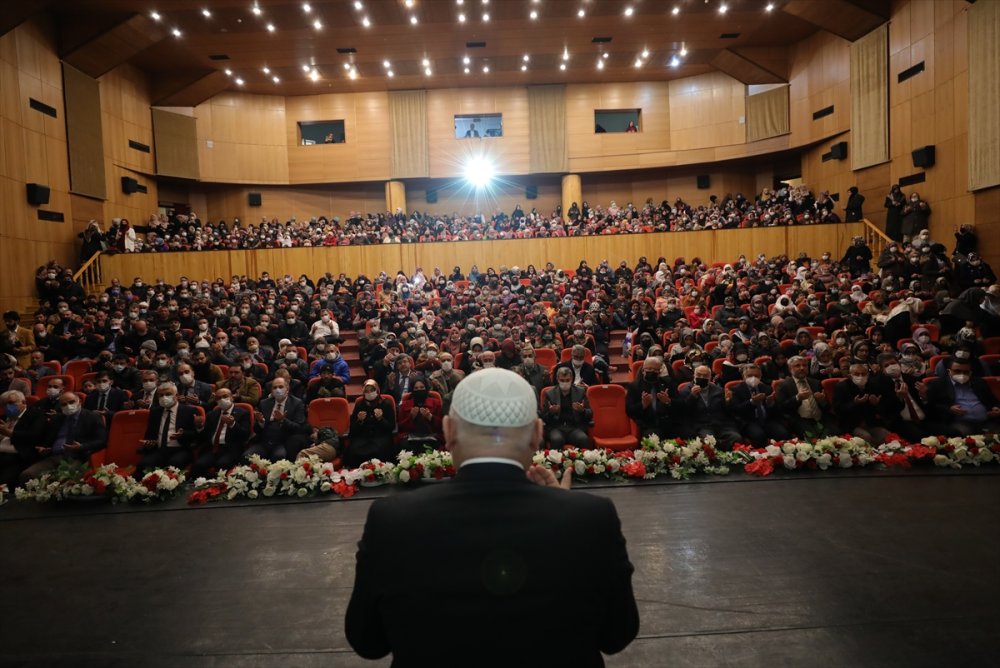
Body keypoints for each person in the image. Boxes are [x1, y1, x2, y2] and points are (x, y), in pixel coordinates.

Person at [345, 368, 639, 665]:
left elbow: (368, 641)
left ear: (447, 431)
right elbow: (617, 634)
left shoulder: (391, 520)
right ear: (537, 434)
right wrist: (565, 511)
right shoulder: (592, 518)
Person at [19, 392, 107, 484]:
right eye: (64, 404)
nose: (68, 406)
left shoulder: (92, 417)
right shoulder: (57, 419)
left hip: (77, 457)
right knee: (27, 475)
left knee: (64, 479)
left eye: (71, 402)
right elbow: (46, 439)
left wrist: (81, 446)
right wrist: (45, 448)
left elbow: (102, 441)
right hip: (53, 456)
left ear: (79, 402)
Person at [136, 382, 201, 475]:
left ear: (176, 395)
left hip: (180, 449)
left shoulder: (189, 411)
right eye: (161, 395)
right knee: (143, 464)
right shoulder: (155, 411)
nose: (164, 397)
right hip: (159, 449)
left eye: (168, 394)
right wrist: (149, 442)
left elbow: (196, 434)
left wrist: (183, 434)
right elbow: (150, 433)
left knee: (174, 464)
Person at [924, 359, 1000, 436]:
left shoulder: (979, 382)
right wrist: (949, 409)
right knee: (963, 437)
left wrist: (996, 408)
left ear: (970, 372)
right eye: (957, 371)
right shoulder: (938, 384)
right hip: (959, 423)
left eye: (966, 372)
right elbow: (932, 406)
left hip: (985, 421)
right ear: (949, 371)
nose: (962, 374)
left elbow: (993, 400)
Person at [678, 364, 742, 449]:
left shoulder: (718, 390)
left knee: (736, 438)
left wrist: (728, 402)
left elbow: (728, 412)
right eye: (699, 375)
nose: (702, 377)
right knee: (709, 441)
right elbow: (683, 411)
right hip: (702, 425)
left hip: (721, 424)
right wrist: (692, 396)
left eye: (705, 376)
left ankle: (727, 457)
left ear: (710, 377)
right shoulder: (685, 390)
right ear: (694, 375)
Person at [245, 377, 309, 461]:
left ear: (287, 389)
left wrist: (283, 420)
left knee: (279, 457)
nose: (277, 390)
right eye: (274, 387)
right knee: (246, 456)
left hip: (283, 442)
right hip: (264, 441)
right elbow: (256, 430)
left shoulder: (297, 403)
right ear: (271, 391)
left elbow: (299, 428)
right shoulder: (264, 403)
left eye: (281, 387)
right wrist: (261, 422)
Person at [192, 388, 252, 478]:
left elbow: (245, 435)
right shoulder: (212, 414)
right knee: (199, 465)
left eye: (225, 396)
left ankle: (219, 490)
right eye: (218, 398)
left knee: (222, 465)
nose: (222, 399)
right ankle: (203, 489)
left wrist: (233, 424)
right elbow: (204, 436)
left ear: (232, 397)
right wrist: (199, 427)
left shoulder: (243, 413)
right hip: (213, 449)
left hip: (230, 449)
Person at [775, 356, 839, 438]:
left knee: (837, 434)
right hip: (800, 419)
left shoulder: (816, 383)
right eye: (797, 366)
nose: (802, 368)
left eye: (804, 365)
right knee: (812, 438)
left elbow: (827, 407)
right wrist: (797, 398)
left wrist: (822, 401)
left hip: (820, 418)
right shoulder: (783, 385)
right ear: (790, 369)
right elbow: (781, 408)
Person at [728, 364, 790, 448]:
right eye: (750, 375)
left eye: (756, 376)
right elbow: (736, 410)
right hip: (749, 420)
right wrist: (752, 402)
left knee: (783, 433)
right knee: (759, 436)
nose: (753, 378)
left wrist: (771, 403)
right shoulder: (736, 389)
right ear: (743, 376)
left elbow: (777, 411)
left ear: (760, 376)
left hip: (767, 419)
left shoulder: (767, 388)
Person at [0, 390, 47, 490]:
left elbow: (34, 437)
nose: (7, 407)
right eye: (4, 404)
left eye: (11, 403)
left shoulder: (35, 414)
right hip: (2, 454)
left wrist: (9, 433)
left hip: (18, 457)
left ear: (24, 402)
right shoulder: (4, 418)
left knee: (4, 479)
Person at [345, 379, 396, 467]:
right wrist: (359, 421)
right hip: (363, 437)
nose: (369, 393)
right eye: (367, 391)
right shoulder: (360, 405)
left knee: (380, 450)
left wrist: (381, 419)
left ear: (377, 390)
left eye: (372, 390)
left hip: (380, 436)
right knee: (353, 449)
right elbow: (353, 428)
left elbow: (391, 426)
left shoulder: (385, 403)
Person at [541, 366, 592, 449]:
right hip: (556, 427)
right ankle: (556, 462)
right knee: (556, 439)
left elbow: (590, 413)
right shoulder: (550, 393)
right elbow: (544, 417)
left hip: (574, 427)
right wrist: (551, 413)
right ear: (557, 379)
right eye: (562, 380)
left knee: (583, 439)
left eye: (567, 380)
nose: (565, 383)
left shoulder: (580, 392)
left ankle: (582, 462)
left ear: (571, 379)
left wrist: (582, 411)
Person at [625, 356, 676, 437]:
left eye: (655, 370)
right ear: (643, 370)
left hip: (668, 422)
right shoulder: (634, 386)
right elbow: (629, 411)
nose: (652, 371)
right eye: (649, 369)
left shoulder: (668, 383)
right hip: (647, 424)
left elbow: (681, 404)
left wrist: (668, 401)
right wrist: (643, 405)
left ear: (659, 372)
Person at [397, 377, 443, 450]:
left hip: (431, 435)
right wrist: (411, 417)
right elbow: (400, 427)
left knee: (430, 446)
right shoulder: (405, 404)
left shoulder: (435, 403)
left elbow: (442, 425)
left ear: (426, 388)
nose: (419, 390)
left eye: (422, 387)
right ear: (412, 390)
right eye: (416, 388)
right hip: (410, 436)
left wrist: (431, 417)